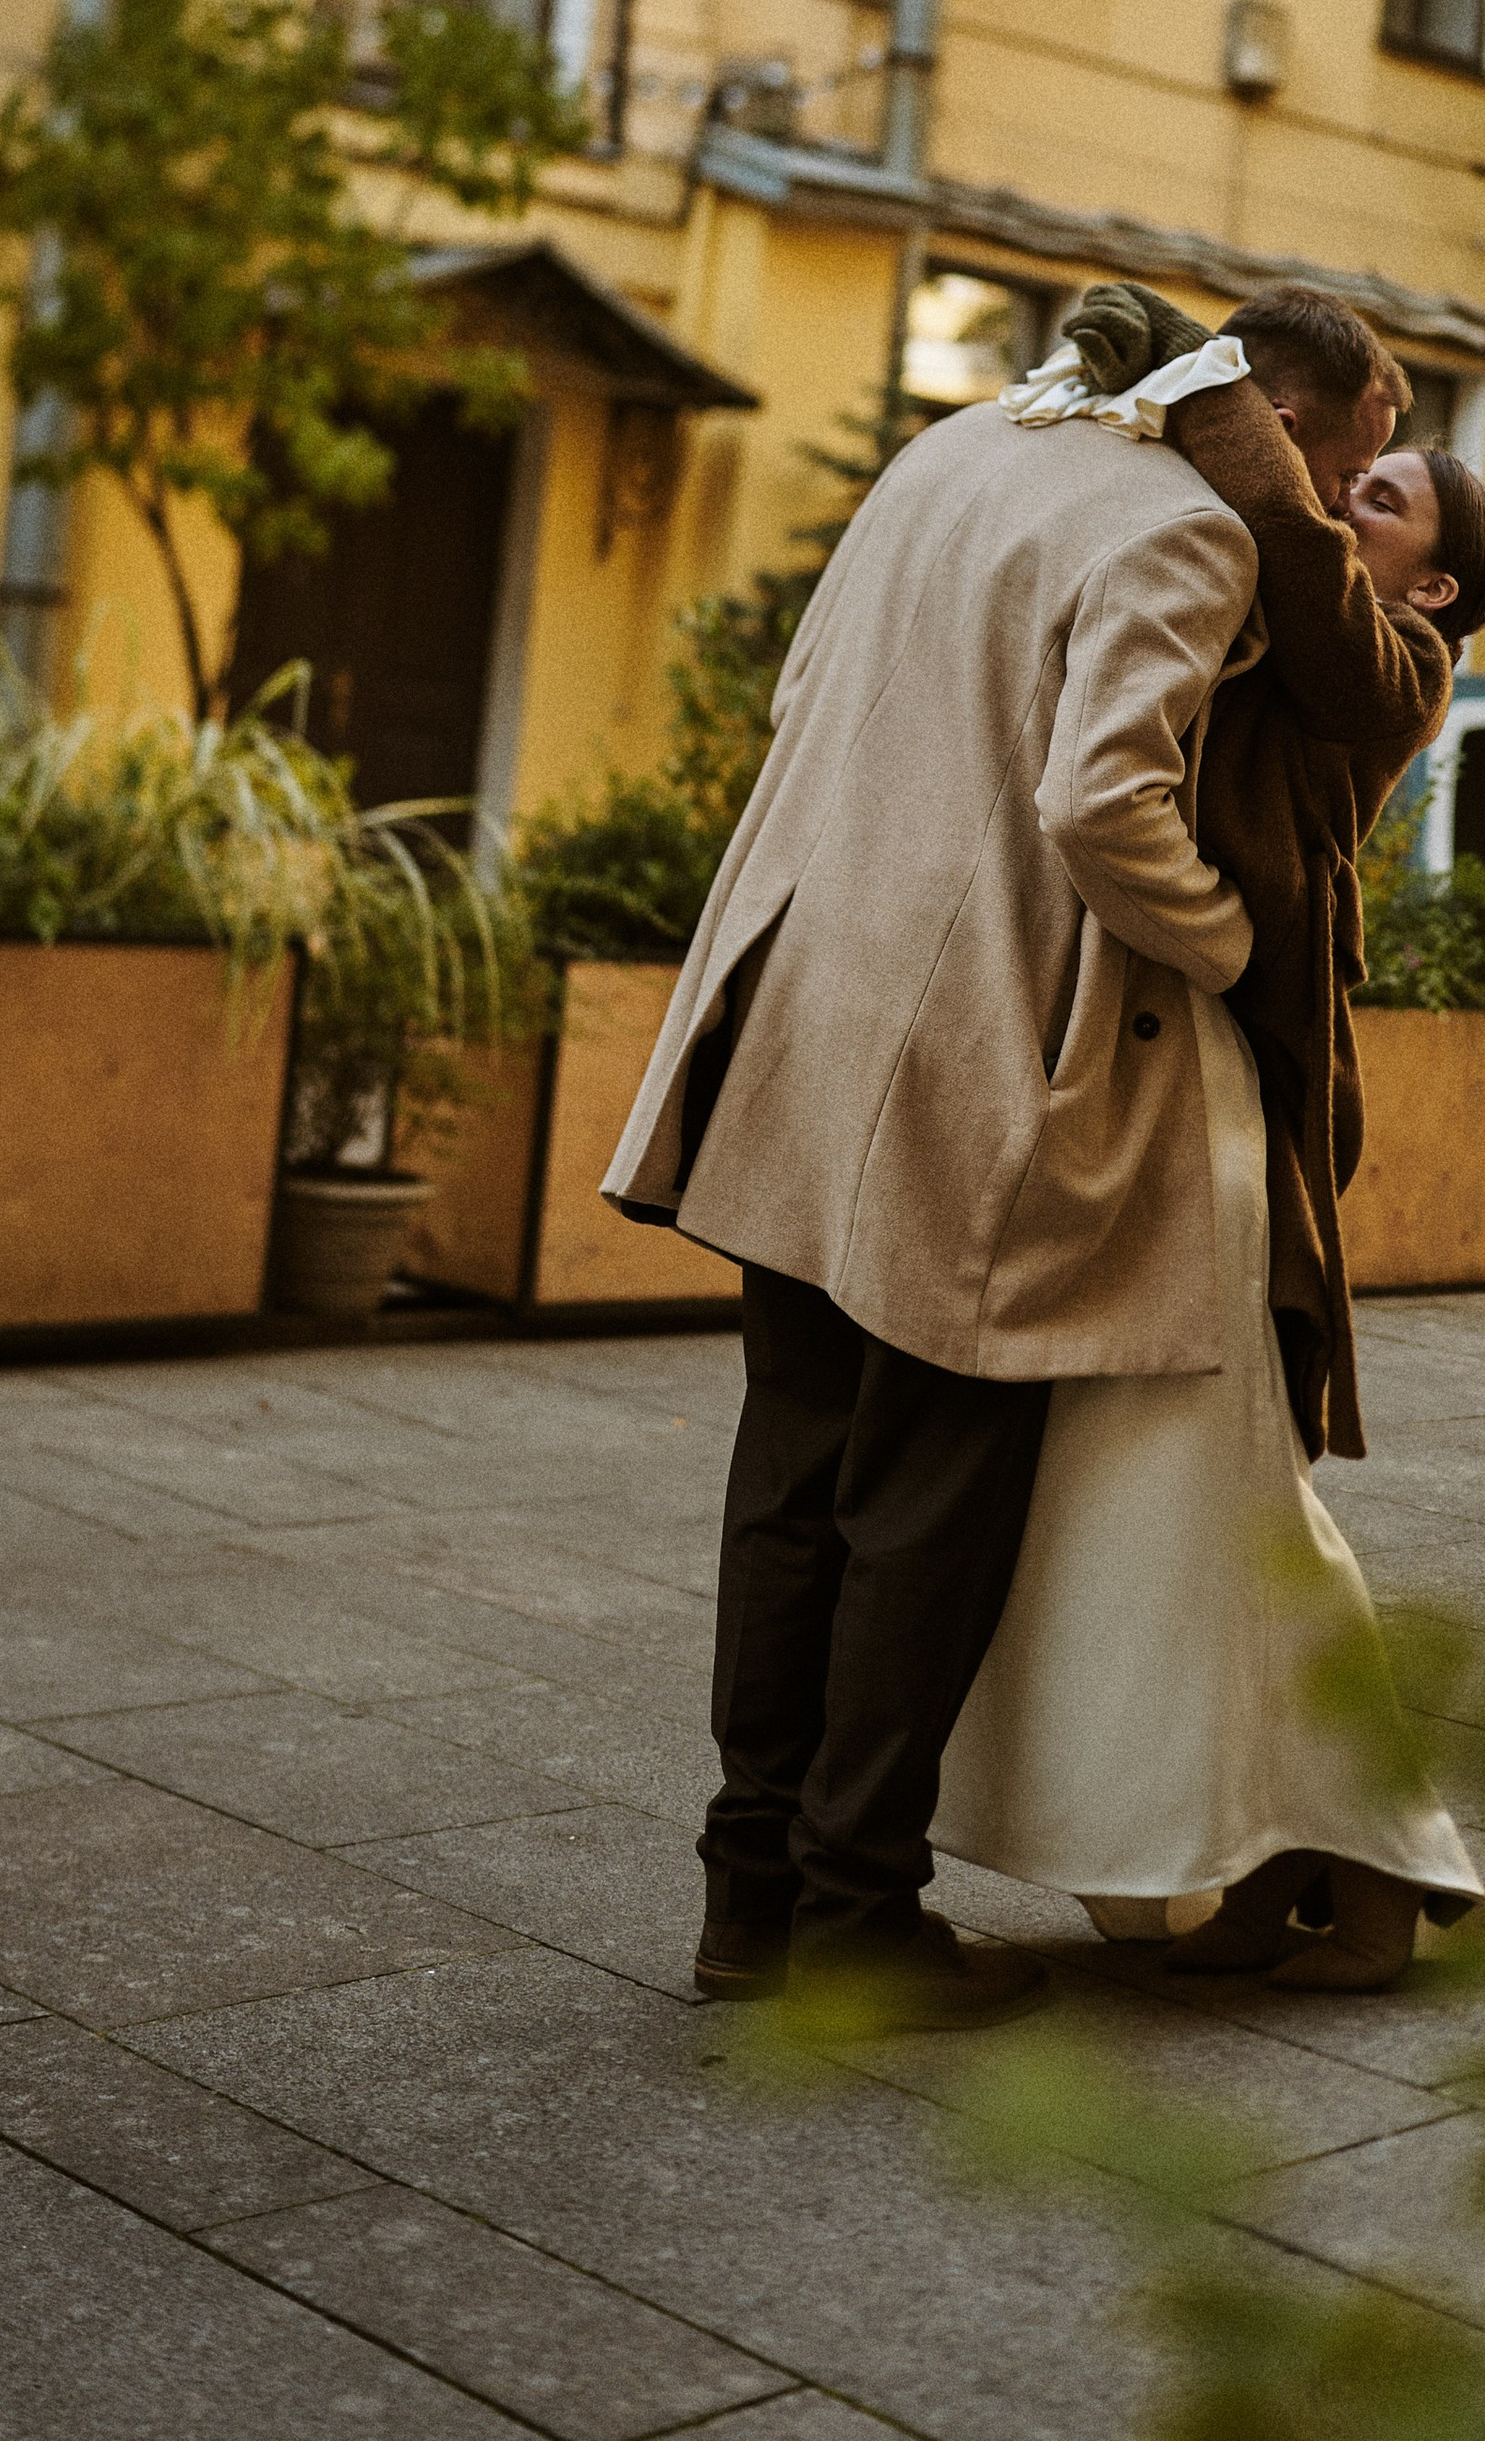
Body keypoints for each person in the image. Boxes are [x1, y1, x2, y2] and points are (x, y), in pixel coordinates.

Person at [599, 294, 1396, 2037]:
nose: (1328, 521)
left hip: (801, 1004)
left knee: (794, 1469)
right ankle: (858, 1916)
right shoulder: (1192, 533)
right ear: (1274, 427)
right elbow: (1105, 804)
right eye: (1335, 478)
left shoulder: (955, 448)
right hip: (982, 1051)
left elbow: (816, 688)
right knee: (926, 1501)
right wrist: (1233, 955)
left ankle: (750, 1895)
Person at [934, 284, 1485, 1995]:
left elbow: (1270, 511)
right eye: (1369, 464)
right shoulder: (1313, 613)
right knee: (1202, 1511)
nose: (1354, 491)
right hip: (1177, 1077)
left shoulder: (1393, 663)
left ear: (1433, 589)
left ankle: (1390, 1864)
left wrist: (1204, 377)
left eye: (1391, 498)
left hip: (1234, 1096)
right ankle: (1270, 1866)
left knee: (1246, 1500)